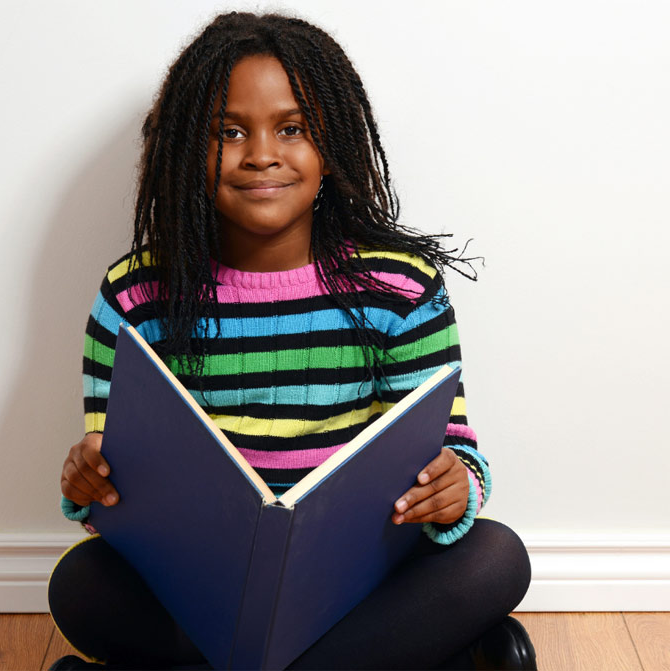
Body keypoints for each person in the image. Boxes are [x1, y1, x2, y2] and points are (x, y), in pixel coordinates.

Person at [48, 11, 535, 671]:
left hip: (358, 580)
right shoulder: (135, 296)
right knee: (81, 583)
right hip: (205, 587)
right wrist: (89, 478)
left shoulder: (398, 286)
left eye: (293, 128)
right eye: (229, 131)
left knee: (495, 557)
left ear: (330, 147)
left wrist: (457, 487)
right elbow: (114, 482)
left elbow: (455, 452)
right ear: (190, 146)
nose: (262, 154)